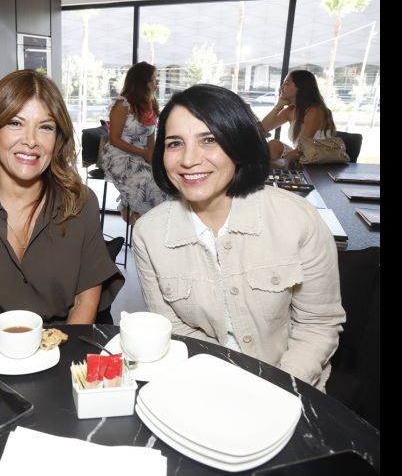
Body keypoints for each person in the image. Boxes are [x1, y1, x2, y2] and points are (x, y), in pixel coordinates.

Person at [133, 84, 345, 390]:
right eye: (175, 143)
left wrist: (276, 390)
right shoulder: (149, 234)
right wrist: (227, 387)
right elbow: (175, 330)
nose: (189, 159)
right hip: (204, 383)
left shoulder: (297, 220)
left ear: (239, 143)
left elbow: (317, 325)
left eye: (209, 140)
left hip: (292, 385)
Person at [0, 70, 124, 339]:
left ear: (57, 140)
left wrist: (62, 359)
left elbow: (86, 299)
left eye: (45, 127)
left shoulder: (81, 203)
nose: (31, 141)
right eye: (15, 123)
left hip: (64, 347)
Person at [100, 61, 170, 224]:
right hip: (120, 157)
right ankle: (142, 221)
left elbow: (150, 139)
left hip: (141, 156)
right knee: (148, 183)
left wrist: (153, 160)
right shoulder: (122, 104)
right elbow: (114, 139)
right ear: (141, 82)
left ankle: (152, 223)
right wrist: (144, 153)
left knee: (164, 180)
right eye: (153, 79)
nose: (156, 83)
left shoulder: (151, 105)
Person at [260, 70, 337, 166]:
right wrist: (278, 106)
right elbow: (263, 128)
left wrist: (277, 164)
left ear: (301, 88)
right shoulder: (290, 111)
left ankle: (268, 176)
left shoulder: (315, 111)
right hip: (301, 154)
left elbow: (303, 147)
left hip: (316, 158)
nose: (281, 88)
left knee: (273, 153)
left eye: (286, 84)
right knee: (273, 145)